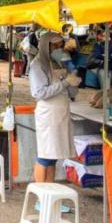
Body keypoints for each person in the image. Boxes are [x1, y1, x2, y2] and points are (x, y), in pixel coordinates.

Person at [29, 32, 81, 184]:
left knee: (53, 157)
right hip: (48, 114)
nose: (60, 49)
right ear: (47, 46)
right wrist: (65, 83)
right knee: (45, 156)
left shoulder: (60, 62)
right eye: (56, 46)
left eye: (60, 46)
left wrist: (73, 82)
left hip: (61, 112)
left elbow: (69, 90)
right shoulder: (38, 64)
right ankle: (41, 195)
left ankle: (50, 193)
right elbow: (39, 92)